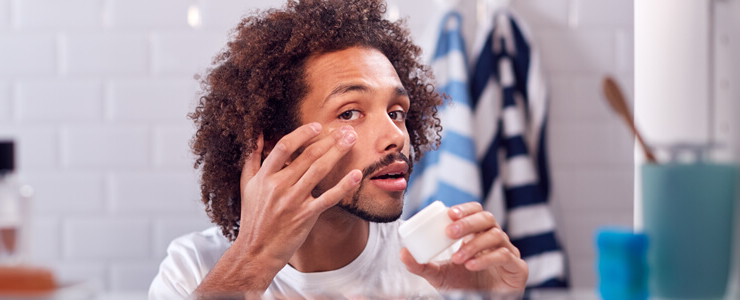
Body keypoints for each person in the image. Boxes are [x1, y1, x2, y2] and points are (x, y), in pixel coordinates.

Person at [149, 0, 528, 298]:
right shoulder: (193, 270)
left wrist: (496, 297)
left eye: (397, 112)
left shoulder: (428, 267)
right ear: (275, 145)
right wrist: (253, 259)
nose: (396, 136)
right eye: (350, 113)